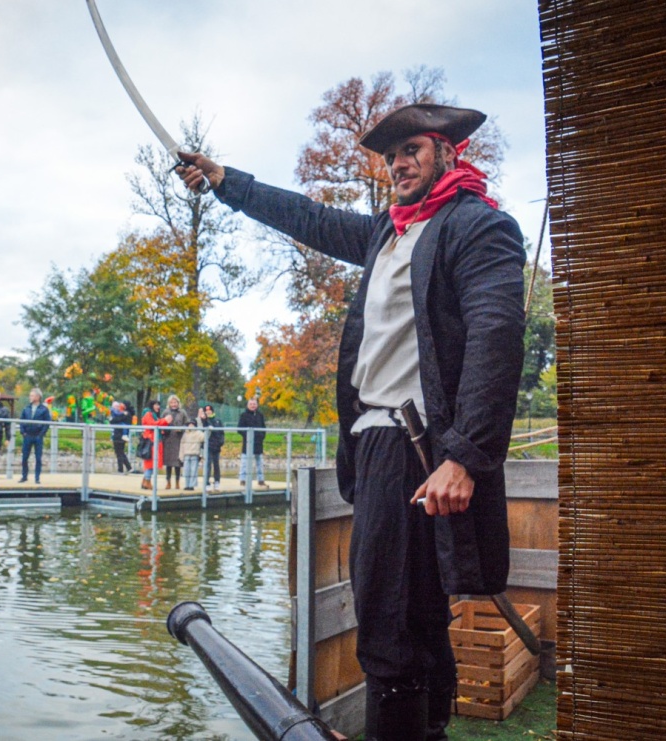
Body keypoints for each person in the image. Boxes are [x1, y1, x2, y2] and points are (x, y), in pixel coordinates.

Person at [177, 103, 525, 741]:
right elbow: (305, 216)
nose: (397, 164)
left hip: (414, 449)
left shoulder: (478, 227)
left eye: (412, 149)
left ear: (449, 151)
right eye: (390, 156)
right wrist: (226, 180)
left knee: (393, 627)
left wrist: (465, 456)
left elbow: (496, 339)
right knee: (415, 621)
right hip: (374, 452)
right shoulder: (385, 233)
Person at [18, 388, 51, 484]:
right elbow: (22, 421)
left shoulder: (44, 409)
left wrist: (41, 434)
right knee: (25, 457)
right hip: (27, 435)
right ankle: (24, 476)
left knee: (38, 458)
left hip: (38, 436)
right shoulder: (26, 408)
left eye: (32, 395)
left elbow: (47, 422)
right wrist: (23, 432)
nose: (30, 397)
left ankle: (37, 477)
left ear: (38, 397)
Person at [236, 397, 268, 489]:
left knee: (259, 462)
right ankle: (243, 480)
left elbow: (263, 427)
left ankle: (261, 480)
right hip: (248, 443)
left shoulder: (260, 415)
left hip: (258, 443)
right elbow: (239, 429)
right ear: (248, 405)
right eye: (251, 404)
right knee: (245, 462)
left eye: (254, 404)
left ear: (257, 405)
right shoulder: (243, 415)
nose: (253, 406)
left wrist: (262, 436)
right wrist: (247, 436)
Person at [161, 395, 190, 490]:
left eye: (175, 402)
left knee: (178, 462)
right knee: (168, 463)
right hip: (168, 440)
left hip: (178, 440)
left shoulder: (182, 412)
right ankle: (168, 482)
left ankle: (177, 482)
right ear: (169, 404)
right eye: (171, 402)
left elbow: (188, 424)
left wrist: (181, 429)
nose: (173, 404)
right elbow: (161, 423)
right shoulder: (166, 412)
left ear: (178, 403)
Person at [139, 400, 168, 490]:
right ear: (152, 405)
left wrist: (164, 422)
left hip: (154, 440)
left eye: (159, 405)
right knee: (151, 462)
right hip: (151, 441)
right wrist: (165, 421)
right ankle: (147, 481)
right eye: (156, 405)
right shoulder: (149, 414)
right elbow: (152, 424)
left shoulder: (153, 415)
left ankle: (145, 481)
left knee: (151, 461)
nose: (158, 407)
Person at [203, 405, 225, 492]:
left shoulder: (218, 421)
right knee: (208, 464)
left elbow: (221, 432)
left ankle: (217, 482)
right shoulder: (204, 421)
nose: (208, 412)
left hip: (216, 446)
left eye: (210, 410)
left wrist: (221, 442)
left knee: (216, 465)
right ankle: (207, 483)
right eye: (206, 410)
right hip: (208, 446)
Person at [180, 417, 205, 491]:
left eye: (192, 424)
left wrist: (208, 430)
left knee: (193, 470)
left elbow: (204, 437)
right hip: (186, 454)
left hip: (194, 454)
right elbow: (182, 445)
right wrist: (181, 455)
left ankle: (192, 485)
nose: (191, 426)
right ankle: (187, 484)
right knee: (186, 470)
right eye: (189, 424)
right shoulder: (185, 434)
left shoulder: (198, 433)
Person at [109, 401, 133, 473]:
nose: (119, 406)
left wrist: (114, 419)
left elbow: (114, 420)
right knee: (120, 452)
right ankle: (129, 468)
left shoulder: (126, 414)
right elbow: (113, 421)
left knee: (119, 452)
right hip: (118, 435)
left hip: (120, 435)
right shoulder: (121, 413)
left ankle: (121, 469)